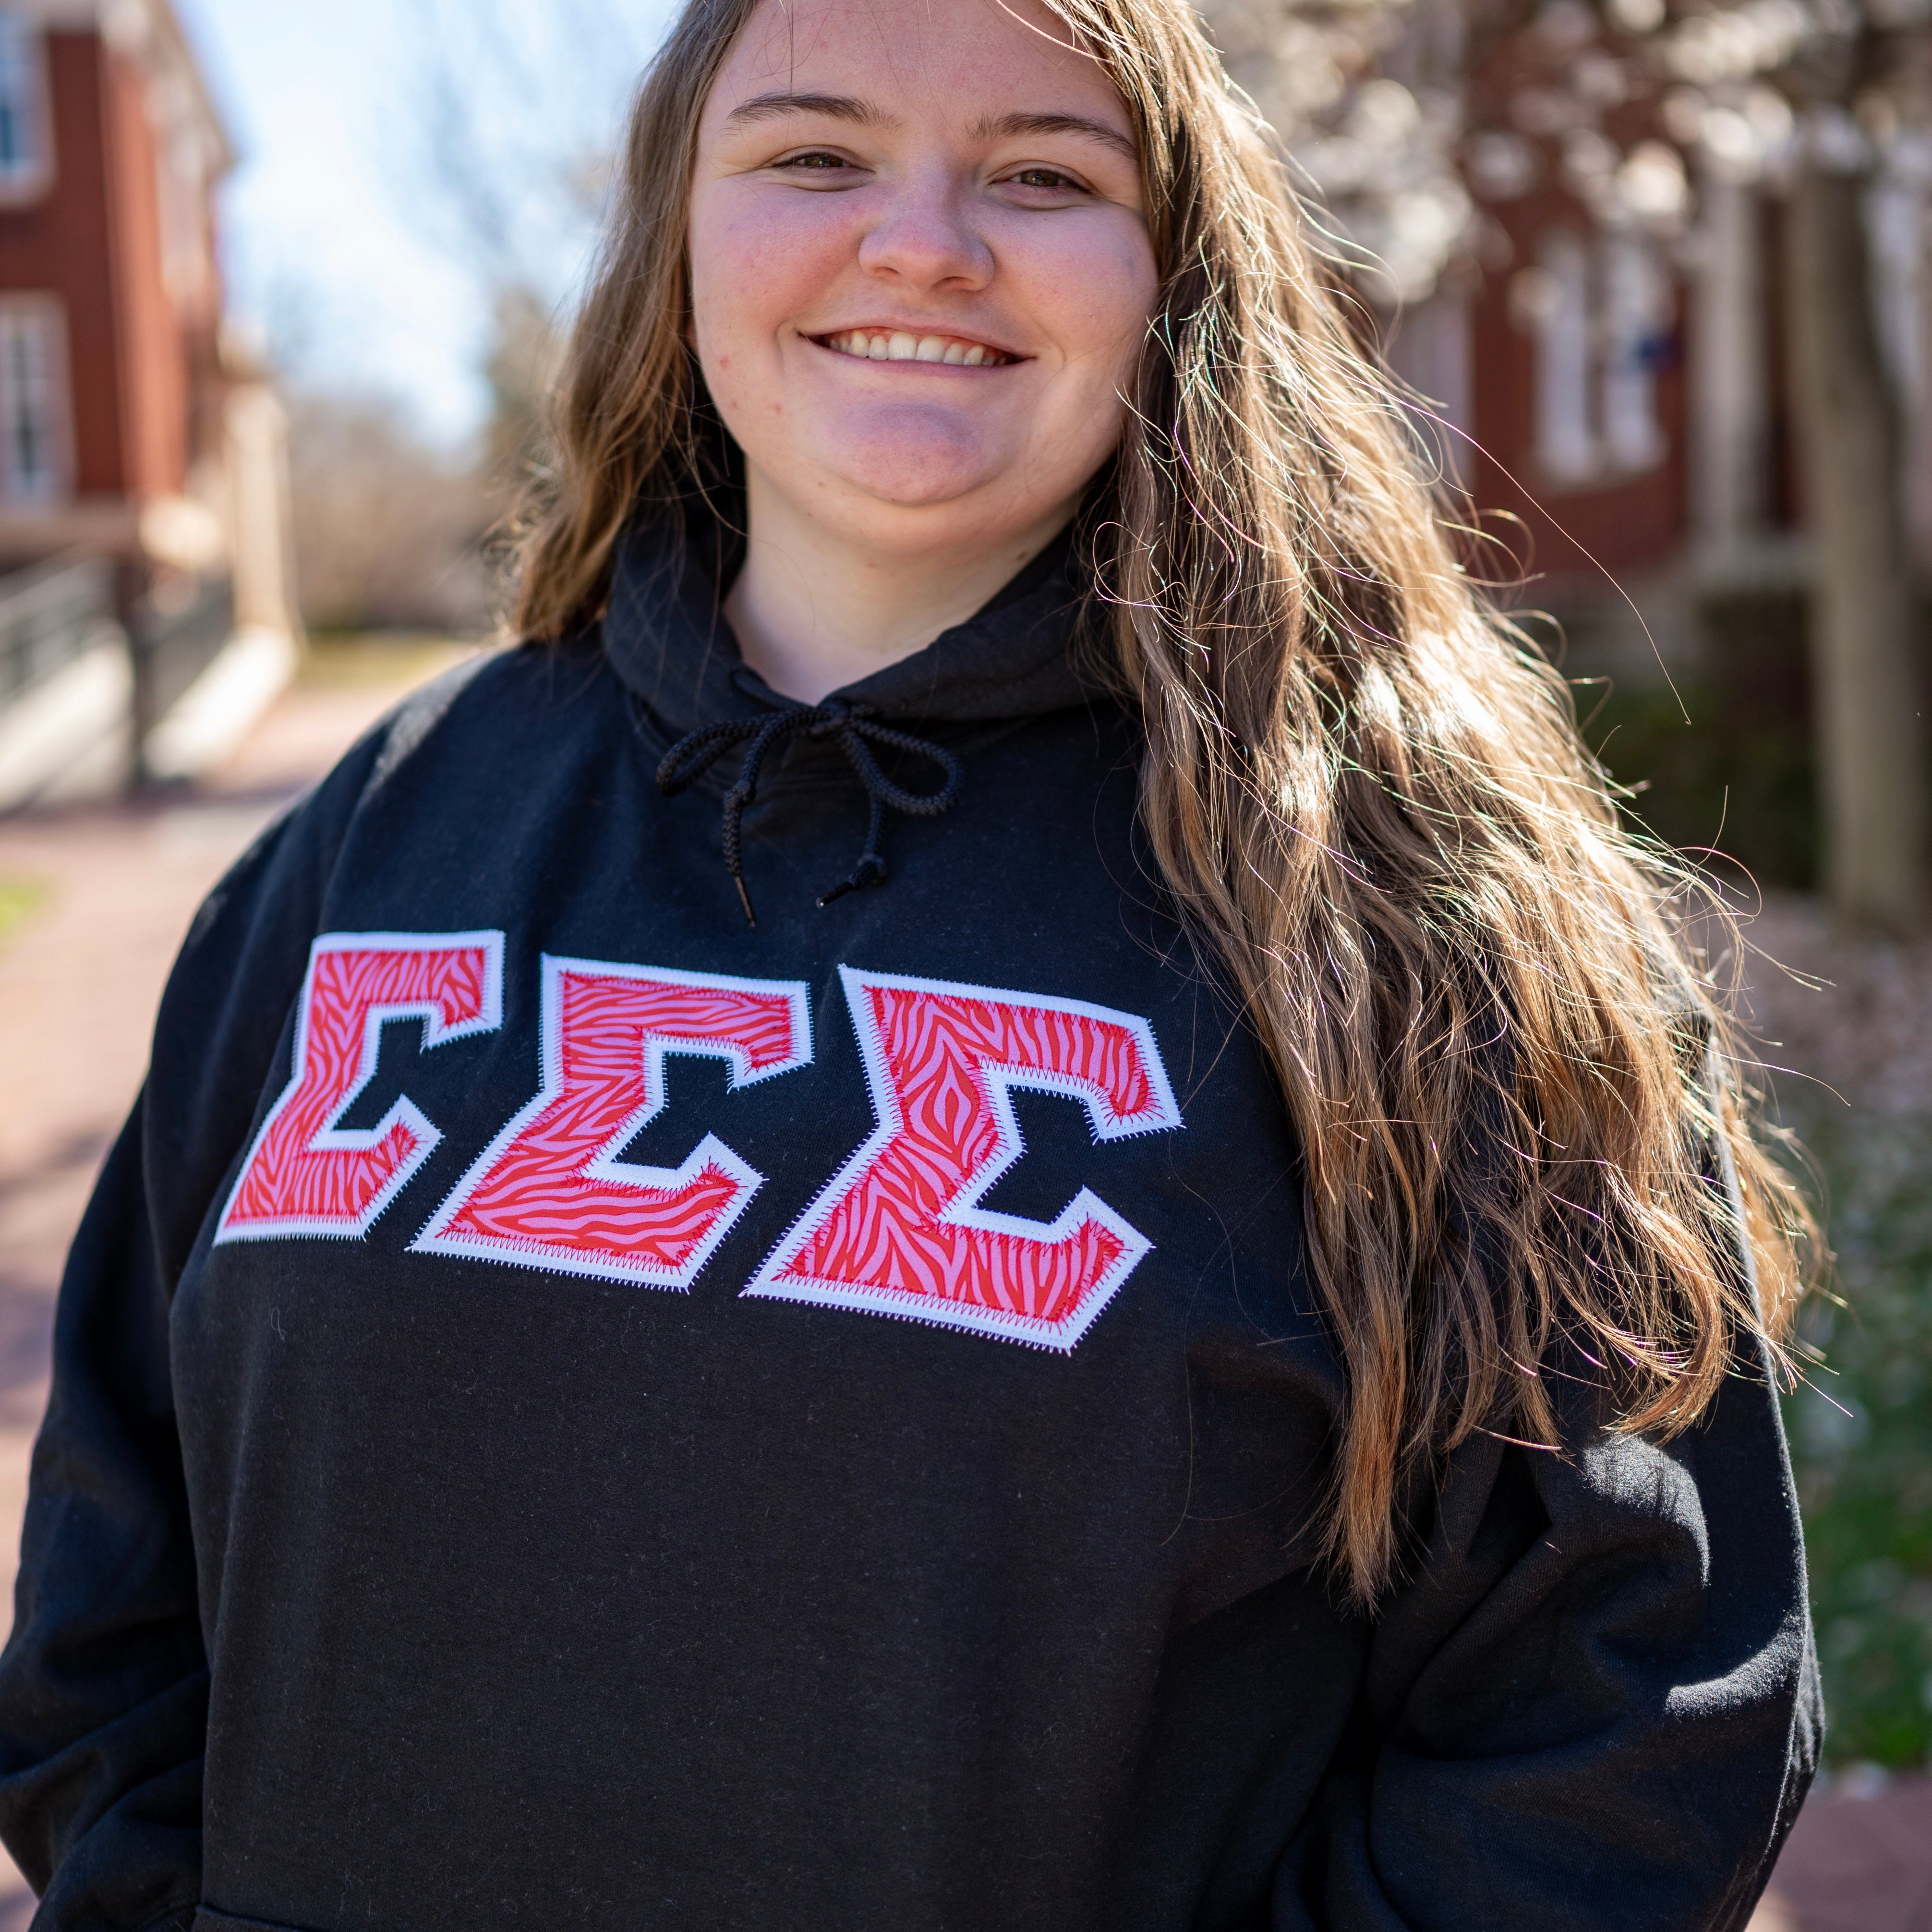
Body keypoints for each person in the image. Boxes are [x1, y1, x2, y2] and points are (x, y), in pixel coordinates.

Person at [0, 0, 1819, 1926]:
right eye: (813, 154)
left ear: (1172, 270)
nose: (925, 241)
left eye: (1043, 174)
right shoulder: (368, 846)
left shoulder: (1411, 915)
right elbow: (114, 1601)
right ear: (677, 236)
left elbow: (1629, 1708)